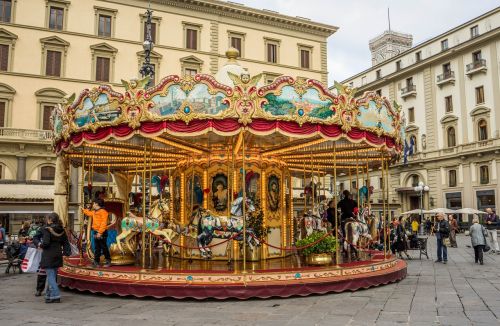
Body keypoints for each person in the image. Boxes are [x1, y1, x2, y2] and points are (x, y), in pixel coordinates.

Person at [40, 212, 67, 303]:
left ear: (50, 220)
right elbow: (65, 243)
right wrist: (67, 253)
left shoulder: (47, 229)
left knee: (51, 276)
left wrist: (41, 245)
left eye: (48, 219)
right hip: (58, 254)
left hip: (49, 255)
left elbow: (46, 243)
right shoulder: (61, 229)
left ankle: (56, 295)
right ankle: (49, 296)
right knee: (52, 275)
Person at [82, 199, 111, 267]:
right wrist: (83, 210)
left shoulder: (103, 212)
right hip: (96, 231)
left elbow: (104, 223)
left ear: (97, 204)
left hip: (101, 232)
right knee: (97, 247)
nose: (93, 205)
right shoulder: (95, 212)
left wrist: (100, 232)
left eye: (93, 203)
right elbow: (89, 213)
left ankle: (108, 260)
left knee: (103, 247)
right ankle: (96, 261)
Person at [32, 226, 46, 297]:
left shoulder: (58, 228)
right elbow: (35, 238)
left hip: (54, 252)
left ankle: (52, 290)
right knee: (42, 271)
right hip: (43, 252)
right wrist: (39, 244)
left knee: (53, 273)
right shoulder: (43, 228)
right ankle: (39, 289)